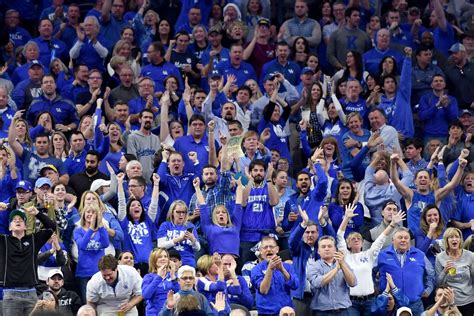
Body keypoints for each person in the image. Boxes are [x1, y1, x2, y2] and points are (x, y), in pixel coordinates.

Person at [337, 204, 405, 316]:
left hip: (369, 300)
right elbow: (340, 235)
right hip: (351, 301)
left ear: (363, 243)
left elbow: (381, 239)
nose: (356, 239)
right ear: (347, 244)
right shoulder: (345, 256)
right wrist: (346, 218)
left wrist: (392, 224)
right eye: (352, 239)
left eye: (358, 238)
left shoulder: (369, 255)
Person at [0, 206, 57, 316]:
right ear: (10, 227)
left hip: (31, 293)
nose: (17, 221)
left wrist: (37, 213)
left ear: (26, 226)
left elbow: (51, 226)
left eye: (21, 220)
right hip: (10, 294)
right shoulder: (3, 241)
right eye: (14, 220)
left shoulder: (33, 240)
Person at [377, 227, 435, 315]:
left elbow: (431, 273)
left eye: (406, 238)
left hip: (415, 303)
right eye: (400, 237)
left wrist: (429, 289)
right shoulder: (382, 255)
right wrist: (376, 288)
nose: (403, 240)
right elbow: (370, 272)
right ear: (393, 240)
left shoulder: (420, 255)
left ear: (410, 240)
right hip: (390, 304)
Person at [288, 206, 335, 316]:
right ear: (303, 234)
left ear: (318, 233)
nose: (310, 235)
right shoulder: (298, 248)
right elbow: (292, 241)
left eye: (313, 232)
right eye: (307, 232)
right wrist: (303, 224)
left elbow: (332, 238)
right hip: (301, 296)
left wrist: (323, 221)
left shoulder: (323, 248)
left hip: (321, 296)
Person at [307, 235, 357, 315]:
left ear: (335, 249)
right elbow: (317, 283)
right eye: (323, 247)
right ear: (318, 251)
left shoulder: (344, 264)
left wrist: (342, 265)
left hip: (343, 310)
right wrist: (336, 269)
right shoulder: (314, 266)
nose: (326, 248)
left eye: (330, 246)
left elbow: (353, 283)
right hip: (322, 312)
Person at [251, 235, 298, 315]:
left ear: (277, 249)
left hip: (285, 312)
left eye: (271, 247)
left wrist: (282, 270)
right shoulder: (256, 269)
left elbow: (295, 285)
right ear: (261, 251)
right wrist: (270, 269)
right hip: (265, 313)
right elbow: (263, 290)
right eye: (265, 247)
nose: (269, 249)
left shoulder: (288, 267)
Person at [434, 228, 474, 316]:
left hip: (469, 300)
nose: (454, 239)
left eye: (457, 237)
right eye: (451, 237)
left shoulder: (470, 256)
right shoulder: (440, 257)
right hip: (451, 301)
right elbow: (438, 283)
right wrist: (444, 271)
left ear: (460, 240)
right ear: (446, 241)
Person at [127, 109, 161, 183]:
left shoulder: (156, 138)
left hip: (153, 180)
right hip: (138, 180)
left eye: (150, 118)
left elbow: (158, 161)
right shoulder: (132, 137)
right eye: (145, 117)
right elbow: (132, 161)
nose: (148, 119)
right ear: (140, 120)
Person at [142, 248, 180, 315]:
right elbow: (146, 295)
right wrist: (158, 277)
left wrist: (173, 277)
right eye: (160, 257)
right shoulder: (148, 277)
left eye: (165, 256)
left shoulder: (174, 276)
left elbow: (180, 294)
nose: (163, 258)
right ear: (154, 260)